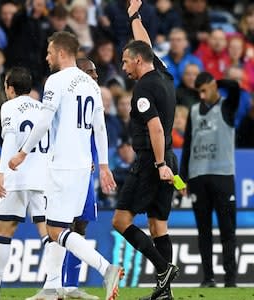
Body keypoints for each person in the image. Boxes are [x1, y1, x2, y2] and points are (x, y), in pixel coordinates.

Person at [9, 31, 122, 300]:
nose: (46, 56)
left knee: (55, 230)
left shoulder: (56, 81)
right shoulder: (92, 85)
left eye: (49, 51)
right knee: (61, 225)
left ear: (61, 52)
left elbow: (45, 121)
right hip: (84, 167)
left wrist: (23, 152)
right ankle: (51, 287)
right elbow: (101, 128)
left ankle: (106, 268)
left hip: (61, 164)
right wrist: (103, 165)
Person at [111, 1, 179, 300]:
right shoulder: (163, 75)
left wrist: (160, 163)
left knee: (120, 221)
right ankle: (165, 292)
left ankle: (163, 268)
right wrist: (134, 17)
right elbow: (146, 45)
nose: (124, 68)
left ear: (138, 61)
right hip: (168, 160)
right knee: (157, 225)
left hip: (153, 161)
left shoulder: (142, 90)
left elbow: (155, 127)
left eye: (126, 62)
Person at [0, 66, 54, 300]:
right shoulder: (44, 108)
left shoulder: (9, 106)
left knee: (4, 231)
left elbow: (10, 140)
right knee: (47, 233)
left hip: (17, 176)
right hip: (43, 177)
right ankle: (54, 286)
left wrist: (1, 172)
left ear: (10, 88)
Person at [179, 72, 240, 288]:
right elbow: (187, 146)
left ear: (213, 87)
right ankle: (208, 278)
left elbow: (234, 87)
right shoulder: (194, 111)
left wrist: (217, 83)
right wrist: (181, 180)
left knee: (227, 230)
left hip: (223, 176)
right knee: (203, 231)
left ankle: (230, 280)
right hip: (197, 178)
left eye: (205, 90)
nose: (202, 96)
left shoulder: (227, 107)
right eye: (199, 92)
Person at [60, 57, 102, 300]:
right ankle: (57, 283)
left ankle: (71, 286)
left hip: (85, 170)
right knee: (61, 226)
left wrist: (97, 159)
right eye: (90, 71)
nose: (95, 76)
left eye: (95, 72)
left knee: (82, 224)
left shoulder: (94, 98)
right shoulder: (65, 95)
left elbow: (97, 132)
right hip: (66, 169)